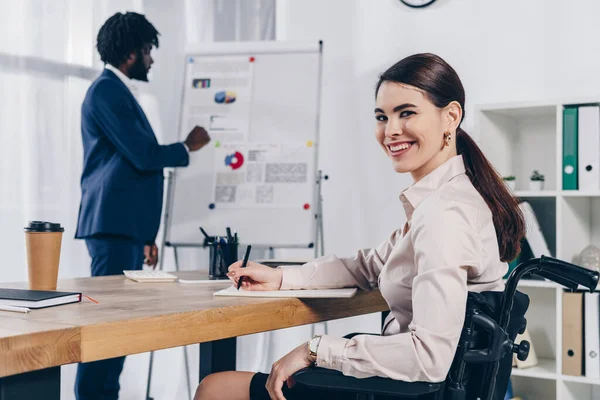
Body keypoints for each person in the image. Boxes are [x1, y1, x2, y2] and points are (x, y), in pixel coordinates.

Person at [194, 52, 526, 400]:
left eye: (407, 112)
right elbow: (367, 265)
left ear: (451, 117)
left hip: (419, 391)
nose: (391, 130)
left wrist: (316, 349)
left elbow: (429, 358)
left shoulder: (445, 215)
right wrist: (281, 278)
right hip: (434, 388)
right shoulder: (446, 199)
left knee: (216, 388)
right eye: (382, 116)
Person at [74, 12, 210, 400]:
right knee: (105, 328)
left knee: (116, 329)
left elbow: (132, 168)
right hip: (111, 227)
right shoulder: (105, 91)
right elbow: (143, 155)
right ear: (132, 52)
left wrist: (146, 236)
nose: (152, 59)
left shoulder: (116, 92)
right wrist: (188, 146)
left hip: (124, 227)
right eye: (149, 50)